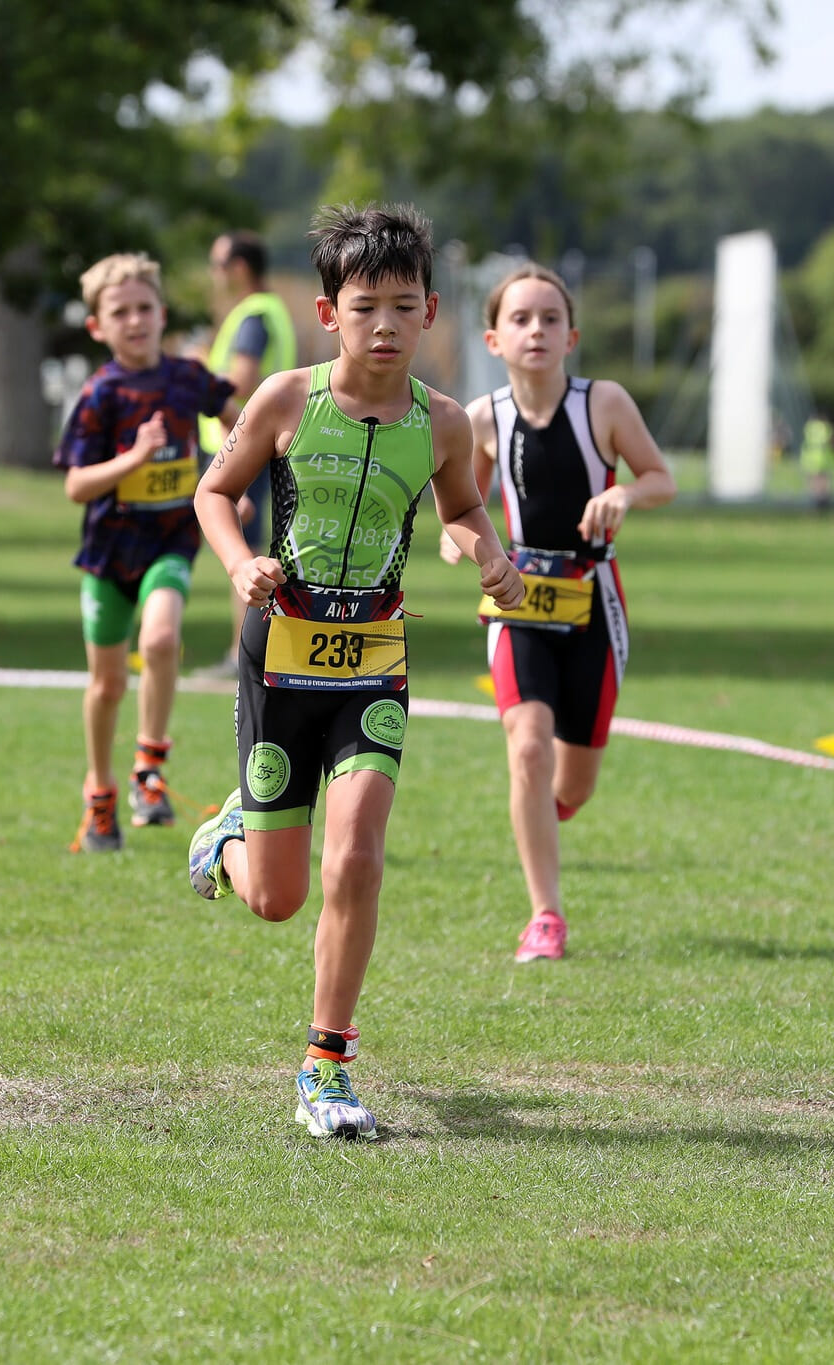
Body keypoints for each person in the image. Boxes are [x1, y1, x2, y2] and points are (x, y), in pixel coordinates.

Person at [186, 204, 525, 1139]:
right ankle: (228, 836)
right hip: (283, 659)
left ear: (431, 314)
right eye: (365, 304)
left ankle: (325, 1065)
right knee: (277, 897)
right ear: (330, 311)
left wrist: (483, 553)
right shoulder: (287, 401)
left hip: (376, 659)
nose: (386, 324)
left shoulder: (444, 422)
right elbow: (216, 492)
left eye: (404, 306)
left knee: (359, 854)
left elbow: (462, 510)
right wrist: (236, 563)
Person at [443, 262, 677, 964]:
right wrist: (474, 552)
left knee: (571, 782)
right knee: (528, 746)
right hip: (516, 603)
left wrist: (625, 497)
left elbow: (661, 477)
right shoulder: (481, 419)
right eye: (520, 318)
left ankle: (544, 813)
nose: (536, 330)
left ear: (571, 334)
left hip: (593, 602)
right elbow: (459, 510)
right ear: (493, 338)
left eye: (549, 318)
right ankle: (545, 915)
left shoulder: (603, 404)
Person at [54, 253, 237, 852]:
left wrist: (238, 475)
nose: (135, 321)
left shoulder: (187, 378)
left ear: (163, 313)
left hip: (170, 541)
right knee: (106, 686)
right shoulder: (100, 395)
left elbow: (242, 420)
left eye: (144, 308)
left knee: (160, 641)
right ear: (97, 327)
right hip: (109, 554)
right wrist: (133, 459)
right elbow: (77, 484)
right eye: (120, 312)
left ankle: (148, 769)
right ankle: (99, 793)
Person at [197, 230, 298, 674]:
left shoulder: (254, 315)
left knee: (246, 552)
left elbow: (239, 379)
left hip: (241, 449)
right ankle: (247, 655)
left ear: (239, 269)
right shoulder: (266, 310)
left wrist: (195, 368)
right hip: (248, 447)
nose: (214, 275)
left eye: (218, 265)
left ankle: (246, 658)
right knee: (247, 550)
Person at [799, 414, 834, 508]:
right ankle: (822, 504)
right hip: (822, 458)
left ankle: (811, 503)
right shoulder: (825, 427)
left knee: (812, 483)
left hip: (808, 458)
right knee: (823, 484)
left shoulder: (808, 427)